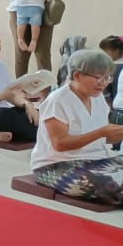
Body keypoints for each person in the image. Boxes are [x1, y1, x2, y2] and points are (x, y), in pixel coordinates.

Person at [30, 49, 123, 206]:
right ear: (77, 75)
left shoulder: (98, 97)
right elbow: (60, 144)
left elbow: (105, 138)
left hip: (98, 158)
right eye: (98, 77)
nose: (103, 83)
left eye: (107, 77)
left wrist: (115, 133)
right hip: (56, 166)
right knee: (112, 186)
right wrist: (102, 132)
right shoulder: (58, 100)